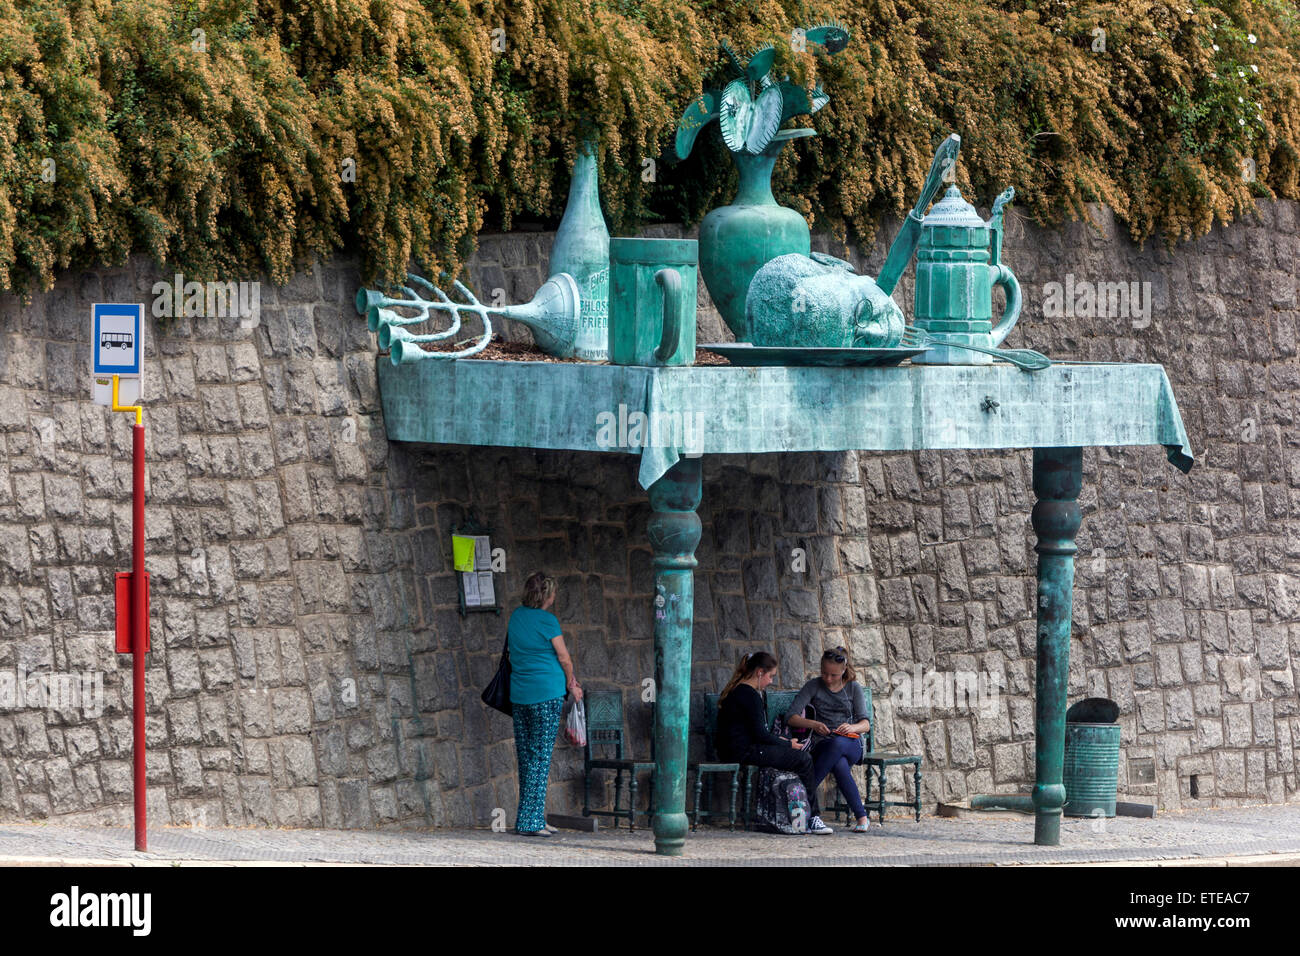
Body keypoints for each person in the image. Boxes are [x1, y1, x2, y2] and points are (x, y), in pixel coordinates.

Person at [715, 651, 833, 835]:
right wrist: (788, 745)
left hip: (737, 749)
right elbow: (761, 734)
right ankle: (813, 818)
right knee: (804, 759)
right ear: (759, 672)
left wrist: (781, 742)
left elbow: (754, 733)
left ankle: (800, 814)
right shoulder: (750, 695)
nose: (771, 681)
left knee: (797, 757)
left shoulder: (738, 690)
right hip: (744, 752)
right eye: (770, 676)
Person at [507, 572, 582, 837]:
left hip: (520, 695)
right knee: (540, 757)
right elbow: (564, 658)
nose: (555, 597)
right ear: (547, 595)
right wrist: (572, 683)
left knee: (527, 757)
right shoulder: (548, 621)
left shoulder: (516, 616)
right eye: (553, 592)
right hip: (546, 695)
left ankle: (530, 817)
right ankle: (532, 822)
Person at [785, 646, 872, 832]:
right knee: (838, 763)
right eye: (824, 673)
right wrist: (814, 724)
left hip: (850, 743)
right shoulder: (813, 686)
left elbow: (866, 724)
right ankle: (862, 817)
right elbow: (791, 717)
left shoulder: (853, 688)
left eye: (833, 675)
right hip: (822, 745)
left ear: (844, 670)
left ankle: (802, 795)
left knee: (838, 744)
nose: (828, 679)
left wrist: (852, 727)